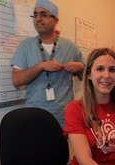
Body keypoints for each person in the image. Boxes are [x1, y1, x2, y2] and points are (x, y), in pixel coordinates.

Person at [11, 0, 85, 129]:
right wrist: (41, 66)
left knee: (64, 149)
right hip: (34, 116)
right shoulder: (25, 46)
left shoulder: (70, 47)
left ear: (55, 20)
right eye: (35, 15)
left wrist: (80, 67)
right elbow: (16, 80)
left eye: (43, 14)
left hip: (65, 116)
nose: (38, 19)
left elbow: (85, 76)